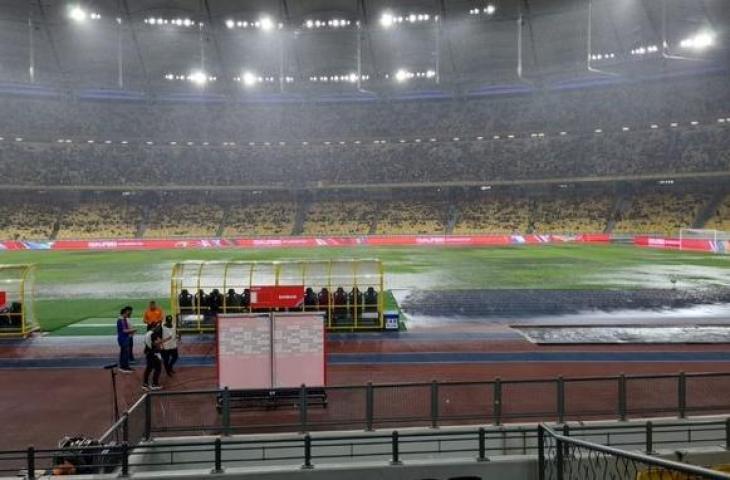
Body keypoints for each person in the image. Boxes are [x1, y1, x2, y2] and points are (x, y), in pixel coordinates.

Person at [142, 325, 164, 391]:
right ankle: (154, 384)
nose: (157, 328)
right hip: (153, 353)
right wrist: (167, 339)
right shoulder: (153, 334)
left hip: (148, 352)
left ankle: (145, 383)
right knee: (158, 368)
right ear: (153, 327)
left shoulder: (147, 333)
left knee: (148, 368)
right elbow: (156, 343)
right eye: (156, 326)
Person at [115, 306, 135, 373]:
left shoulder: (121, 319)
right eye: (127, 313)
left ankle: (122, 366)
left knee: (123, 353)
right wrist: (133, 330)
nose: (128, 314)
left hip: (122, 338)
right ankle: (125, 367)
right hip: (124, 338)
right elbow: (124, 330)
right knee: (125, 353)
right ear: (124, 313)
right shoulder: (122, 320)